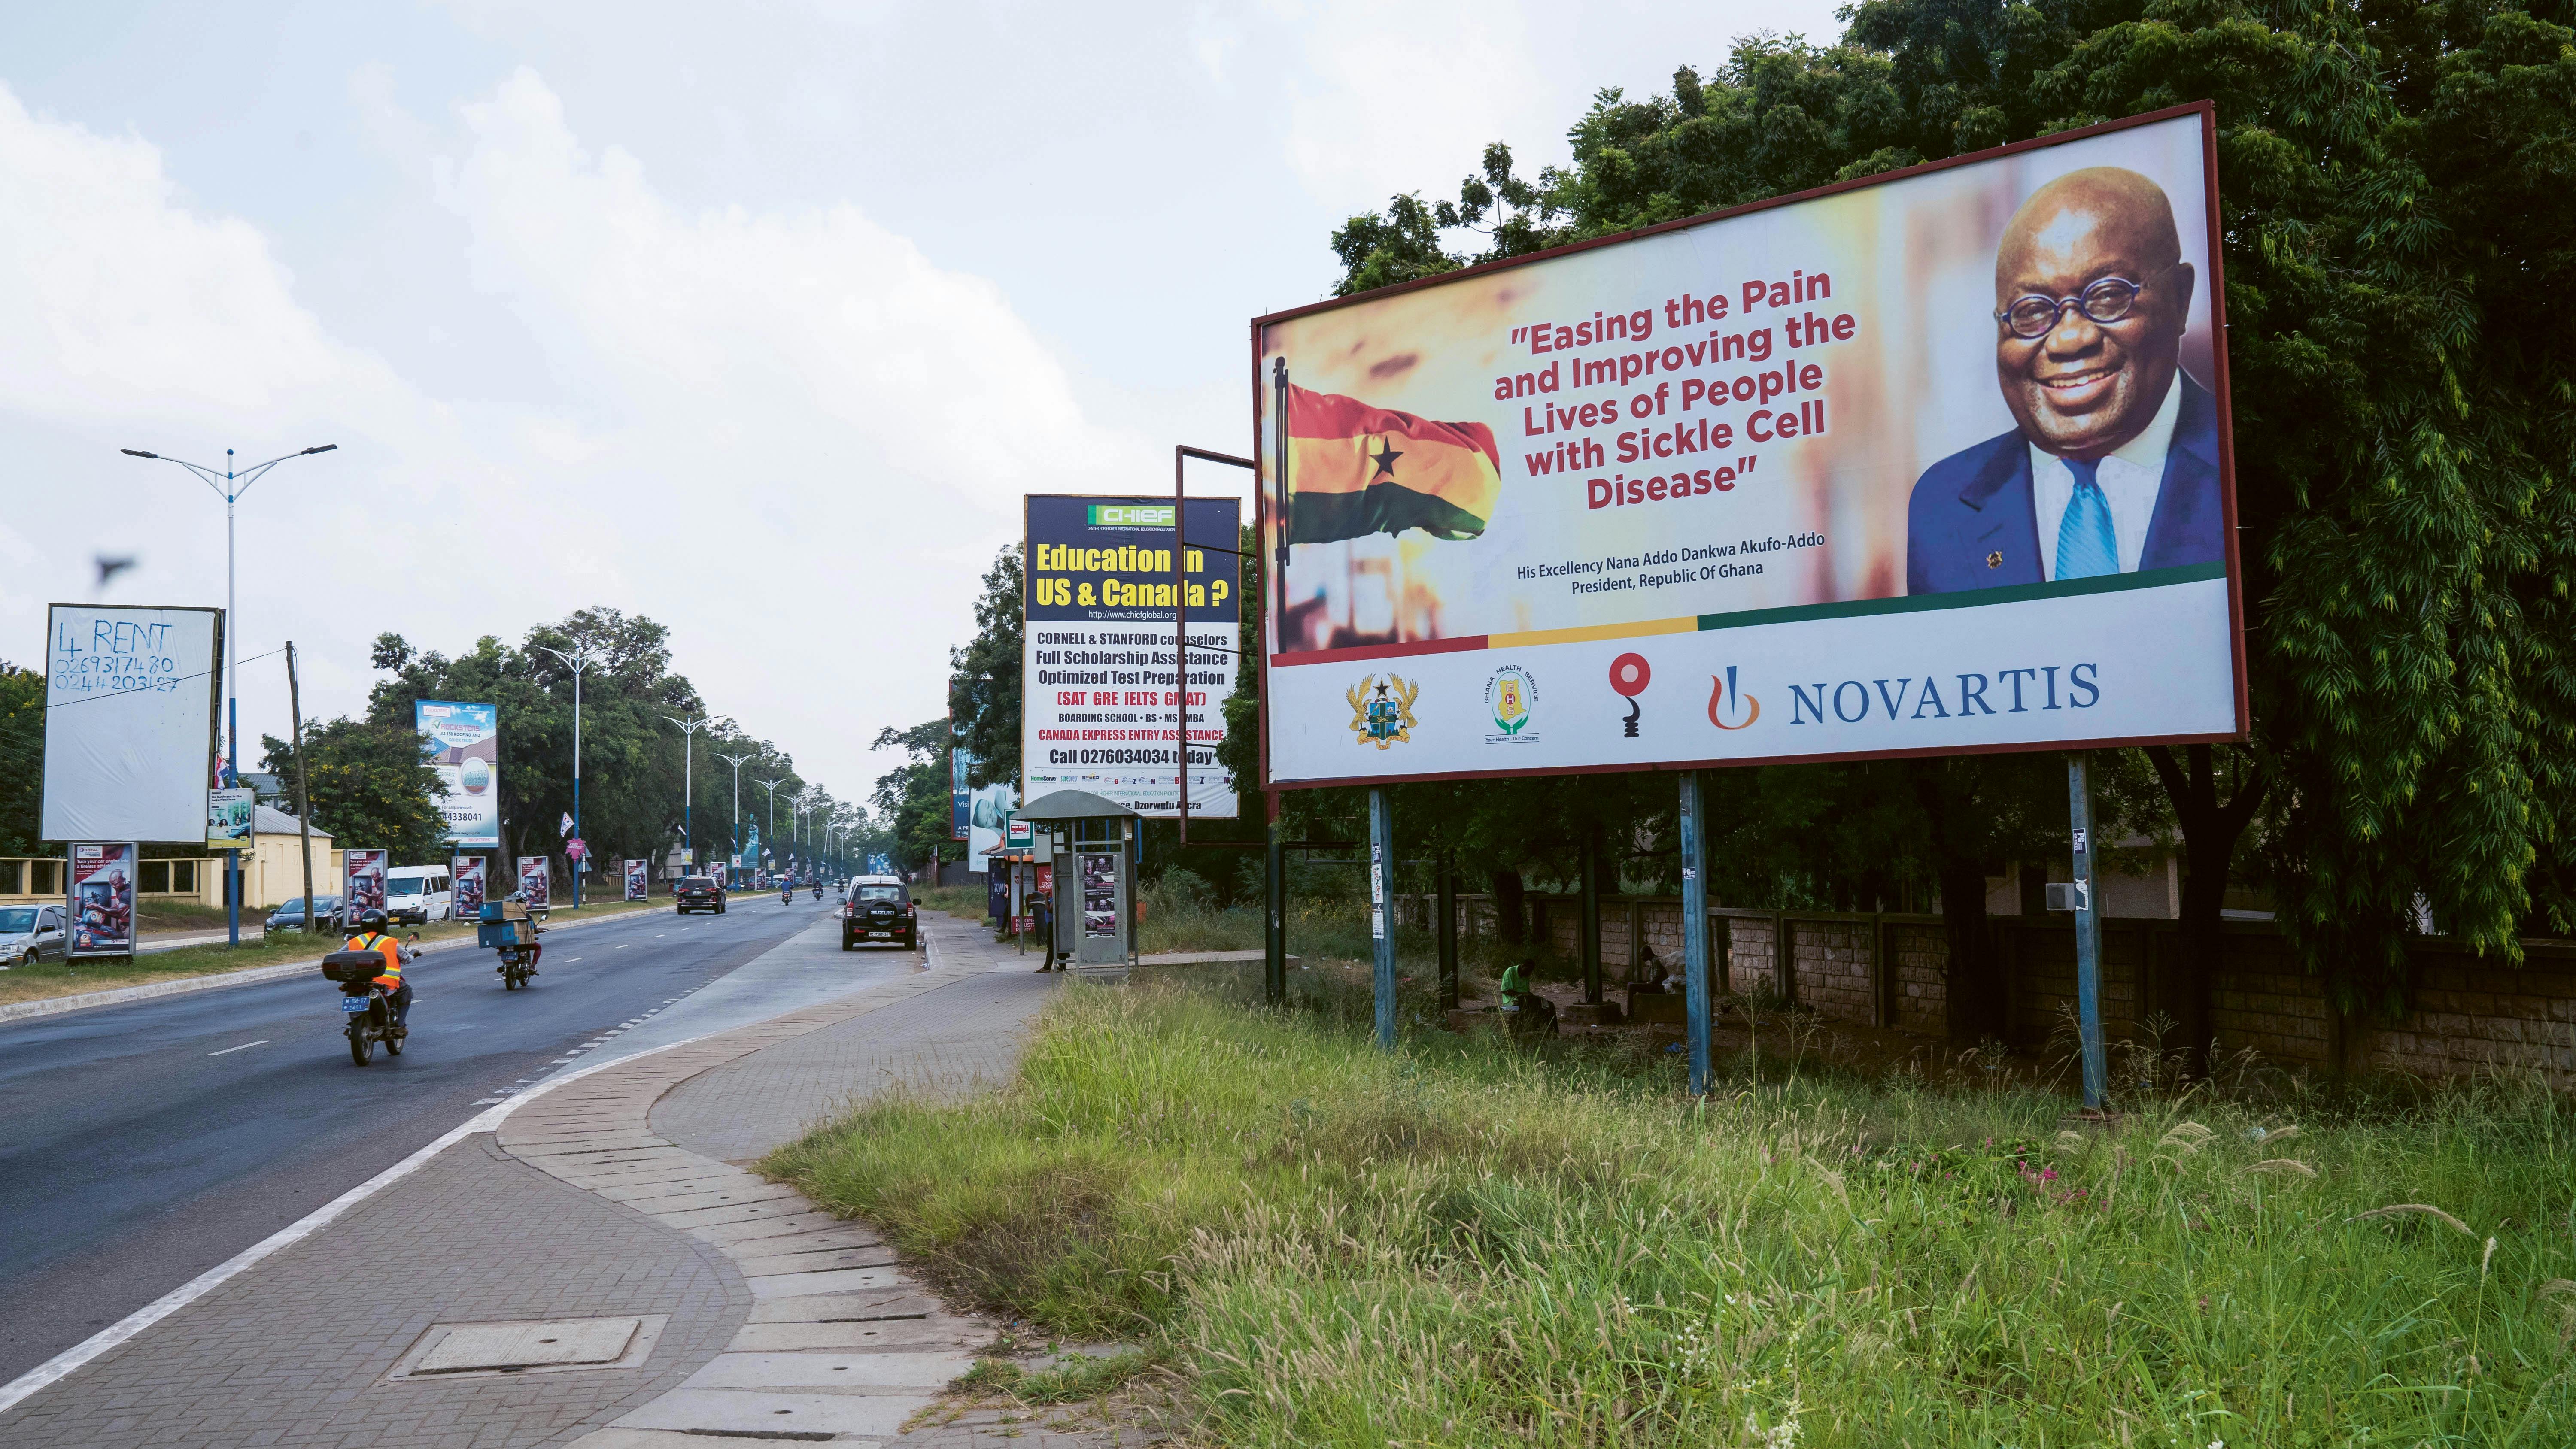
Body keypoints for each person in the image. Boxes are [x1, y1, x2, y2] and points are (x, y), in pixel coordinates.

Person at [1907, 166, 2226, 594]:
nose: (2070, 339)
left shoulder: (2245, 458)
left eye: (2109, 295)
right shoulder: (1944, 507)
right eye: (2032, 311)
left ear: (2180, 298)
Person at [345, 908, 414, 1034]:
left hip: (357, 982)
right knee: (407, 991)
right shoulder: (390, 942)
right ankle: (400, 1026)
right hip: (385, 983)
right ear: (383, 924)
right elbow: (406, 958)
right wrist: (413, 954)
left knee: (350, 993)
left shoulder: (353, 942)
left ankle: (356, 1020)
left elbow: (339, 956)